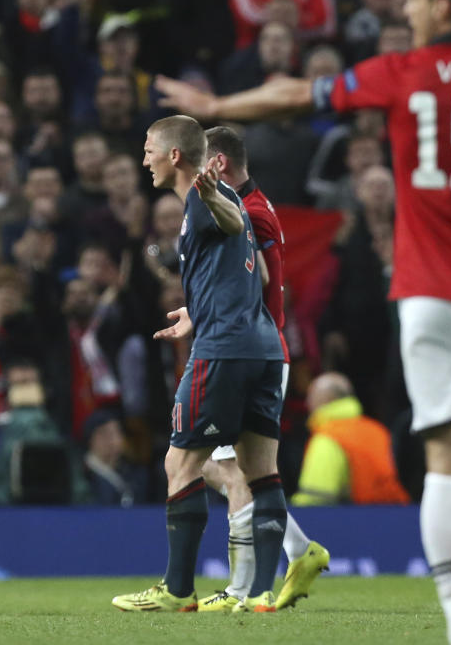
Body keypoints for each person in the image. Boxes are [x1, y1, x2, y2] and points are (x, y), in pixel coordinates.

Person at [156, 0, 451, 643]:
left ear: (441, 7)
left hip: (422, 293)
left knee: (445, 457)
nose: (405, 9)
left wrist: (220, 109)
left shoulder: (399, 72)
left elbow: (296, 95)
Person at [111, 115, 286, 613]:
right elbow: (256, 270)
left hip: (225, 350)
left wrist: (210, 196)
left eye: (148, 149)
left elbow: (231, 221)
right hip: (261, 346)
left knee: (179, 463)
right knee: (261, 471)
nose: (143, 159)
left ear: (173, 156)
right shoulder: (217, 200)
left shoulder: (208, 199)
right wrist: (199, 311)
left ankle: (177, 589)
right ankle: (261, 594)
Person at [197, 126, 330, 613]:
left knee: (227, 467)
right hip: (255, 351)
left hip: (250, 355)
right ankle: (298, 551)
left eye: (200, 163)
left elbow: (264, 278)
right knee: (242, 469)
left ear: (220, 166)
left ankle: (243, 588)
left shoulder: (248, 214)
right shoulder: (255, 205)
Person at [291, 372, 410, 506]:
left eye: (311, 396)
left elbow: (316, 498)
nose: (307, 403)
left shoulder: (327, 437)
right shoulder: (377, 430)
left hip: (355, 520)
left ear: (327, 399)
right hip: (393, 514)